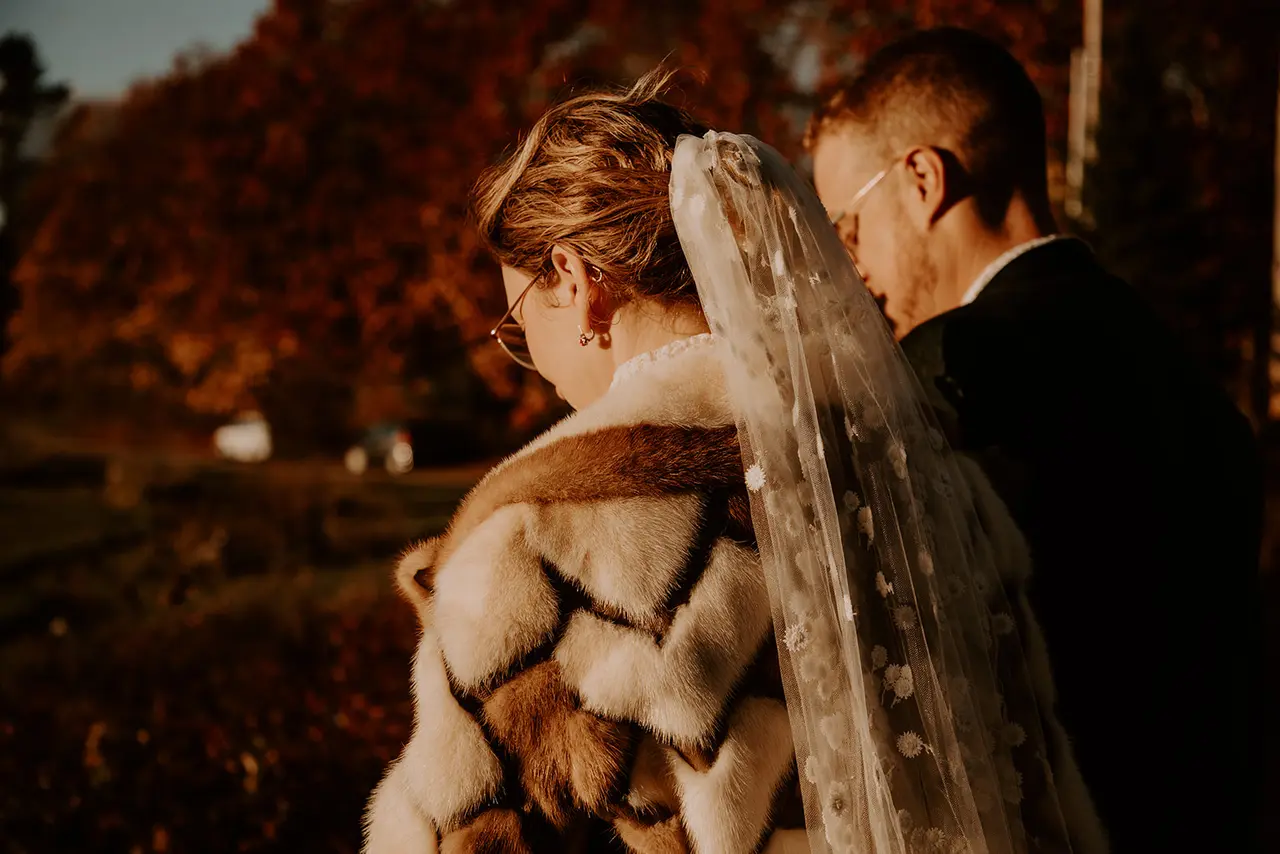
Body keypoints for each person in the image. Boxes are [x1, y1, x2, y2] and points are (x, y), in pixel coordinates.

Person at [365, 66, 1091, 854]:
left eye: (516, 321)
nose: (529, 359)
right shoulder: (915, 464)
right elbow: (1036, 776)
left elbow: (462, 834)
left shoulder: (539, 539)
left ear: (575, 282)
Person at [806, 27, 1265, 853]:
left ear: (922, 179)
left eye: (850, 223)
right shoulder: (1172, 364)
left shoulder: (955, 369)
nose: (853, 264)